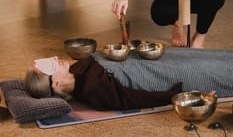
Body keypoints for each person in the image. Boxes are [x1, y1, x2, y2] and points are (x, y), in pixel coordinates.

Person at [25, 56, 183, 110]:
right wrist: (174, 97)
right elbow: (135, 98)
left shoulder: (77, 68)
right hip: (166, 74)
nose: (54, 58)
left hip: (156, 59)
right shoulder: (93, 90)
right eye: (50, 66)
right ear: (56, 84)